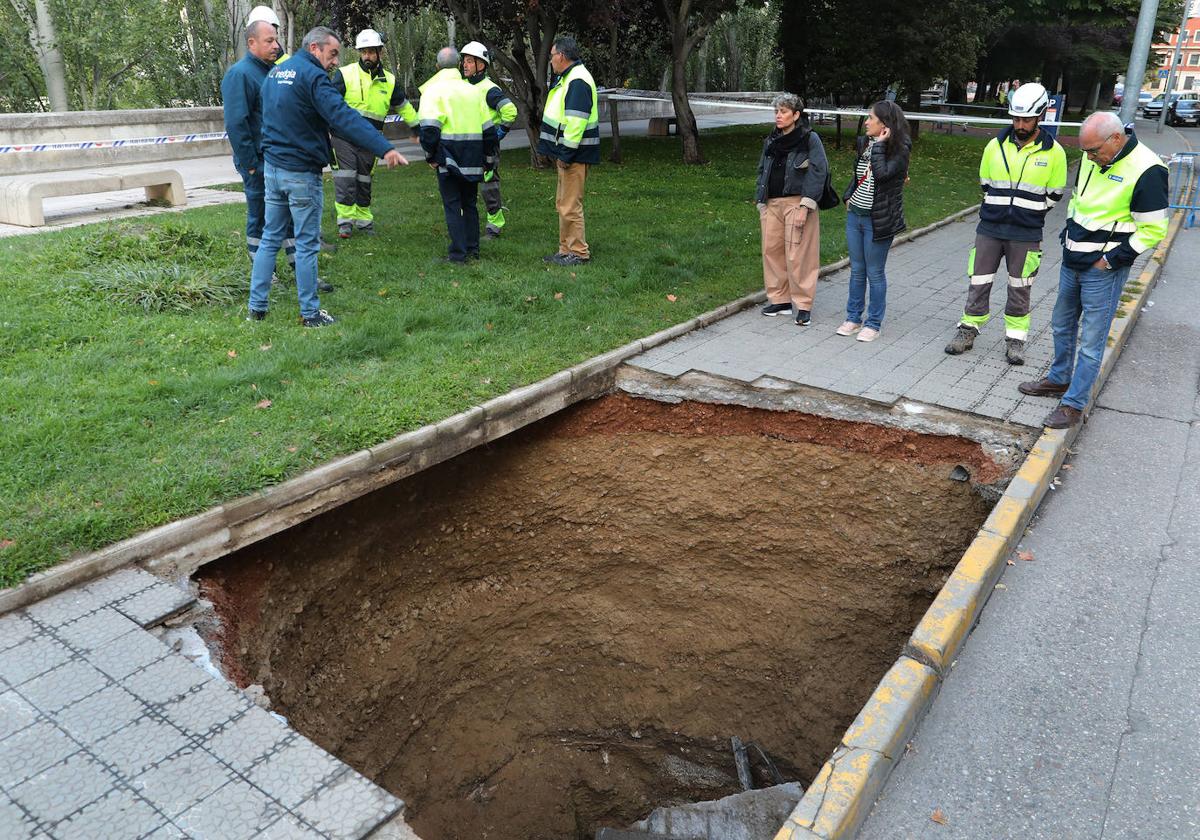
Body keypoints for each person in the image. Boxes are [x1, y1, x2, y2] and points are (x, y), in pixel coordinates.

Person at [1018, 111, 1168, 428]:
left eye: (1094, 151)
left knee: (1091, 339)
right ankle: (1059, 379)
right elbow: (1080, 198)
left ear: (1116, 138)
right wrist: (1068, 231)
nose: (1089, 157)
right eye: (1085, 152)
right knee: (1061, 323)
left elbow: (1153, 230)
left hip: (1103, 268)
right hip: (1073, 256)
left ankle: (1073, 403)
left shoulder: (1148, 169)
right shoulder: (1094, 155)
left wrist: (1110, 259)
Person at [249, 27, 407, 327]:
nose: (335, 62)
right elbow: (343, 117)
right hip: (300, 173)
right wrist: (383, 147)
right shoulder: (313, 77)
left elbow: (265, 120)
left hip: (273, 170)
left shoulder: (275, 75)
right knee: (307, 244)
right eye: (332, 53)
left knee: (270, 238)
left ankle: (256, 309)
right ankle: (310, 314)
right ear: (314, 49)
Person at [945, 82, 1067, 364]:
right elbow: (986, 184)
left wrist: (1028, 213)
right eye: (1016, 118)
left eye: (1026, 119)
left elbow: (1055, 194)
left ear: (1040, 117)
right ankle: (968, 330)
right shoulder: (994, 146)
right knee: (979, 280)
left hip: (1025, 232)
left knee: (1020, 285)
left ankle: (1015, 339)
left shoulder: (1055, 152)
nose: (1020, 124)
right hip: (990, 227)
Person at [331, 28, 420, 238]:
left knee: (364, 179)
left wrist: (417, 127)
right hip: (343, 136)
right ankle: (345, 221)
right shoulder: (345, 74)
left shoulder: (389, 80)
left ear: (380, 52)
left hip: (371, 139)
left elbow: (403, 106)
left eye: (371, 51)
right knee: (346, 177)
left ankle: (364, 220)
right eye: (364, 52)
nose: (367, 56)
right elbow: (330, 103)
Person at [836, 100, 911, 343]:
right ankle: (853, 317)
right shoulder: (865, 144)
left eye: (871, 118)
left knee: (874, 272)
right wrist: (848, 196)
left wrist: (879, 146)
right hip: (855, 215)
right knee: (857, 270)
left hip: (878, 220)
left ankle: (873, 323)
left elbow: (882, 175)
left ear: (885, 124)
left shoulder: (900, 150)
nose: (866, 122)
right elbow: (859, 175)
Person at [754, 94, 829, 327]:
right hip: (772, 203)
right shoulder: (772, 139)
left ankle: (803, 304)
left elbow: (819, 170)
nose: (778, 115)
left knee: (799, 255)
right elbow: (762, 168)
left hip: (798, 202)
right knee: (772, 251)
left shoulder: (809, 138)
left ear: (796, 115)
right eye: (777, 111)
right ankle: (780, 300)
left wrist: (807, 204)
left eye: (784, 111)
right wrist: (761, 200)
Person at [418, 47, 496, 263]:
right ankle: (473, 249)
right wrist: (489, 159)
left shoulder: (432, 91)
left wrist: (430, 157)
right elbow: (488, 130)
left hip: (447, 157)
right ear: (460, 65)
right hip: (473, 155)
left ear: (437, 67)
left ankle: (458, 255)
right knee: (469, 203)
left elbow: (429, 130)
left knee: (453, 205)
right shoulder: (473, 90)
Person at [537, 36, 599, 266]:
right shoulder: (571, 78)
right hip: (571, 152)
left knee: (570, 204)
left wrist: (565, 153)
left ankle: (578, 253)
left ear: (561, 56)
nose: (551, 60)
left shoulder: (577, 80)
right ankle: (565, 250)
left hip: (575, 153)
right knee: (563, 203)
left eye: (552, 55)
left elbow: (576, 122)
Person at [461, 41, 518, 238]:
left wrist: (498, 134)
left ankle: (495, 226)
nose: (465, 65)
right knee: (465, 185)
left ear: (481, 65)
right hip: (467, 146)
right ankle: (466, 225)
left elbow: (510, 111)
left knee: (489, 187)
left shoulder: (489, 89)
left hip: (485, 147)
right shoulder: (462, 87)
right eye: (464, 61)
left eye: (469, 61)